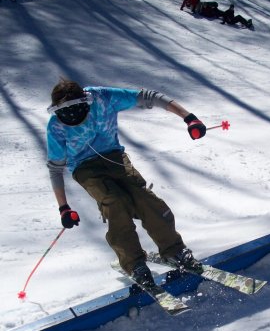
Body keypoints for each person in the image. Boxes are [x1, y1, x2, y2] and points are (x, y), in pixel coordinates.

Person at [46, 79, 207, 288]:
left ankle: (174, 251)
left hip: (114, 157)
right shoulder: (57, 126)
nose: (72, 118)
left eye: (75, 111)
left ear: (85, 103)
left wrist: (189, 117)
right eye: (64, 114)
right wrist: (63, 208)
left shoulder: (103, 98)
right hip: (84, 167)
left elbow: (149, 97)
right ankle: (134, 264)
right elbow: (55, 169)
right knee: (114, 202)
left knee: (144, 198)